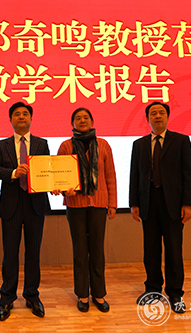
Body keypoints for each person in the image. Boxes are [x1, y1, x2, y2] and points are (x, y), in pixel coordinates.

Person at [129, 101, 191, 314]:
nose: (157, 116)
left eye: (161, 113)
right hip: (148, 203)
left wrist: (188, 203)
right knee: (151, 250)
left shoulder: (181, 141)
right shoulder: (139, 145)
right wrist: (133, 203)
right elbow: (134, 176)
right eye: (153, 113)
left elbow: (189, 173)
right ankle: (152, 289)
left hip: (174, 204)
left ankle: (175, 293)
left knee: (174, 250)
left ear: (167, 117)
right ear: (147, 119)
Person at [0, 102, 50, 321]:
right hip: (11, 205)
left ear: (31, 119)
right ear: (11, 120)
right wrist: (14, 173)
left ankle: (32, 295)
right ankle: (7, 298)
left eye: (25, 114)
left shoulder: (42, 144)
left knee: (33, 253)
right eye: (17, 114)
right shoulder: (2, 145)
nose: (21, 117)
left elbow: (48, 170)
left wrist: (54, 183)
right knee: (10, 253)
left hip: (36, 204)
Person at [55, 108, 117, 313]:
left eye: (85, 118)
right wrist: (63, 188)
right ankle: (82, 294)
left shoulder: (103, 145)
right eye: (78, 118)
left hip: (99, 203)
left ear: (92, 121)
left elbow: (110, 175)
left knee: (97, 251)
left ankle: (99, 293)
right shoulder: (66, 146)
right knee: (80, 251)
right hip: (75, 204)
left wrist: (112, 203)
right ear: (72, 123)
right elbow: (60, 175)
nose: (82, 120)